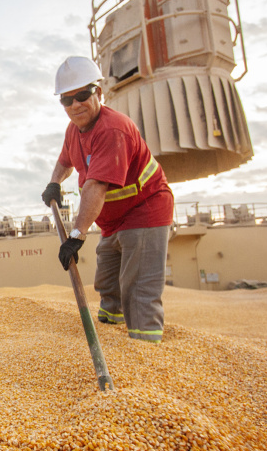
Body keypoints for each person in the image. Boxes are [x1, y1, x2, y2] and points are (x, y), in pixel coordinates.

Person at [42, 56, 174, 343]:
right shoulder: (74, 130)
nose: (75, 105)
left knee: (137, 288)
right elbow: (66, 160)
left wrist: (76, 235)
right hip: (112, 221)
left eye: (82, 95)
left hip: (144, 210)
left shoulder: (113, 130)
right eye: (67, 100)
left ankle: (145, 351)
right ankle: (113, 336)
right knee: (108, 285)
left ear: (98, 93)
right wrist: (54, 182)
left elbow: (95, 188)